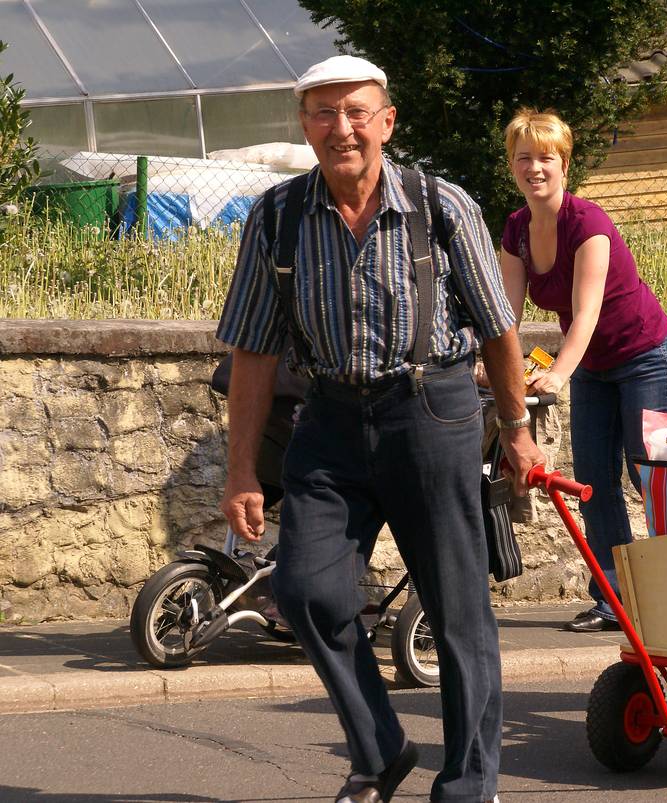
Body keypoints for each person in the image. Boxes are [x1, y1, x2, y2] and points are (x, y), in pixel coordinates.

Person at [216, 55, 542, 803]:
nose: (342, 128)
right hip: (328, 419)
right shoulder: (275, 217)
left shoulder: (442, 205)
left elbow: (498, 329)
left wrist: (518, 428)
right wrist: (240, 470)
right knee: (304, 590)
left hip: (432, 410)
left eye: (357, 111)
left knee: (458, 610)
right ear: (304, 125)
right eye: (324, 113)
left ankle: (468, 786)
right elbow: (254, 352)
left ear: (387, 121)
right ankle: (381, 749)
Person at [496, 108, 667, 633]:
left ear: (565, 165)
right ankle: (614, 600)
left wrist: (556, 375)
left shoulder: (588, 223)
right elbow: (505, 317)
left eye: (546, 159)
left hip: (647, 356)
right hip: (595, 367)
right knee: (593, 483)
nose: (535, 168)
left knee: (651, 477)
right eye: (524, 158)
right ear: (512, 166)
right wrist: (494, 369)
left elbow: (586, 313)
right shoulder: (514, 230)